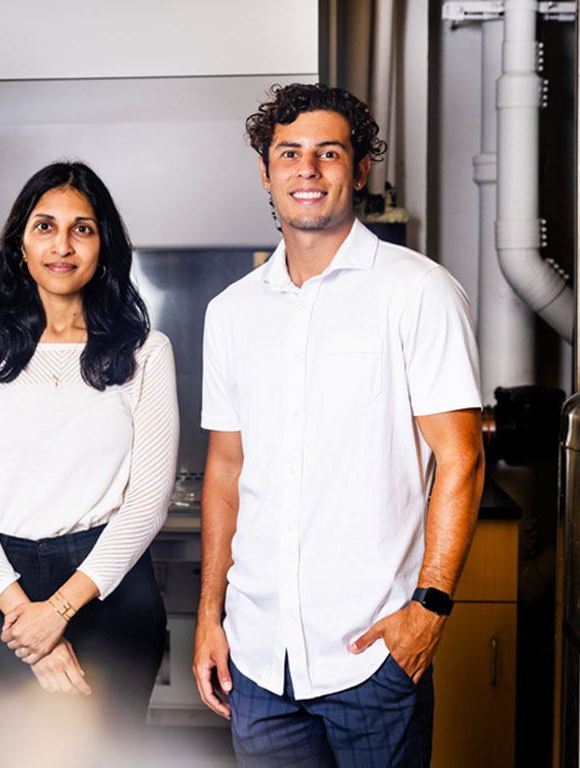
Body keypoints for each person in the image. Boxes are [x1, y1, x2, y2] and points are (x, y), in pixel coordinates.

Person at [193, 83, 484, 767]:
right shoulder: (231, 312)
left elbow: (461, 459)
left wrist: (430, 610)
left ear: (359, 170)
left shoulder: (418, 291)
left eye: (329, 153)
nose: (308, 169)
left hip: (373, 656)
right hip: (260, 661)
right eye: (289, 153)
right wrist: (211, 616)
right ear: (266, 173)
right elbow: (226, 473)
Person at [0, 161, 178, 748]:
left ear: (105, 246)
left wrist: (59, 612)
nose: (62, 245)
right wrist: (27, 619)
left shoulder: (147, 353)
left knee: (113, 756)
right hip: (3, 591)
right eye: (45, 226)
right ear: (21, 244)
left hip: (109, 590)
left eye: (83, 228)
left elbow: (147, 503)